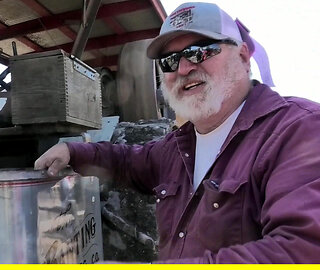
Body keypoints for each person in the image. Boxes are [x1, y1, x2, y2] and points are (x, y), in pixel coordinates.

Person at [34, 2, 320, 263]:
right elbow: (126, 161)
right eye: (170, 60)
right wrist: (73, 150)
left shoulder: (297, 130)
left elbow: (301, 250)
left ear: (244, 57)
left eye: (200, 52)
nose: (183, 68)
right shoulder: (179, 146)